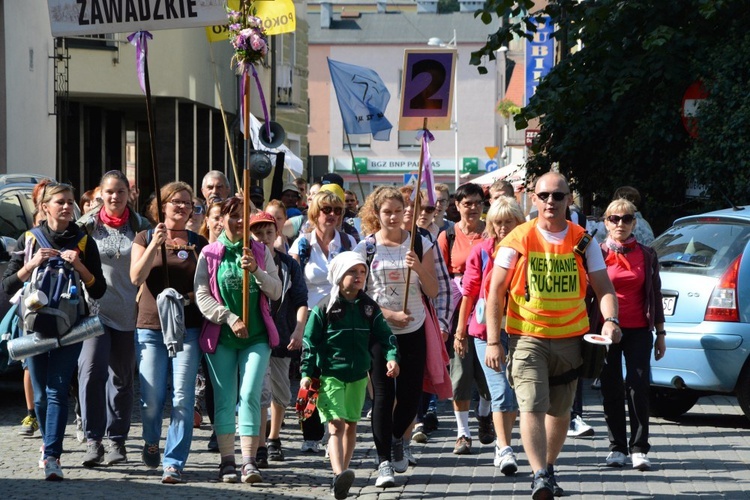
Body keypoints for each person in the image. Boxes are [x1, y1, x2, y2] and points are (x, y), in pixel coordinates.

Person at [485, 172, 620, 499]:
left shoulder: (584, 240)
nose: (550, 201)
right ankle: (540, 474)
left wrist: (610, 320)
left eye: (558, 196)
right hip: (527, 337)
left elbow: (604, 287)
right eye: (544, 195)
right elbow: (496, 292)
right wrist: (492, 341)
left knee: (559, 413)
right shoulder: (517, 238)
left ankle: (548, 465)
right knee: (531, 405)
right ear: (533, 199)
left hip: (571, 341)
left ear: (568, 200)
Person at [2, 182, 107, 481]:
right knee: (41, 396)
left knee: (57, 389)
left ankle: (52, 456)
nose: (66, 207)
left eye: (70, 202)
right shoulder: (29, 239)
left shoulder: (84, 241)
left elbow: (98, 288)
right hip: (35, 327)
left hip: (71, 327)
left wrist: (81, 268)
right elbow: (7, 285)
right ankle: (48, 441)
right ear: (45, 207)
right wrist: (31, 264)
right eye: (59, 202)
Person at [355, 186, 440, 487]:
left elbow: (433, 290)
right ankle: (383, 463)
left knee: (410, 396)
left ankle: (396, 439)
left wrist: (418, 266)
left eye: (397, 211)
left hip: (414, 328)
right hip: (380, 332)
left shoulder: (421, 242)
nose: (393, 217)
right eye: (386, 212)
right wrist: (388, 315)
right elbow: (357, 294)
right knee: (383, 395)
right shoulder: (365, 248)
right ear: (376, 214)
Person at [194, 200, 281, 484]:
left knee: (251, 392)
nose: (240, 222)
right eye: (234, 217)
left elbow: (276, 290)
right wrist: (229, 317)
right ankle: (226, 461)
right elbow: (202, 295)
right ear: (222, 221)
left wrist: (256, 270)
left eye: (244, 217)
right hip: (223, 338)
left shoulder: (260, 250)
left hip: (256, 337)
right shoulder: (210, 253)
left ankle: (249, 461)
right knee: (225, 398)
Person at [301, 251, 399, 498]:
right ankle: (338, 474)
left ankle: (343, 474)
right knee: (335, 425)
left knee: (351, 424)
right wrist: (305, 373)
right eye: (352, 272)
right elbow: (309, 342)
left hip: (358, 375)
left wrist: (391, 358)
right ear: (338, 275)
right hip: (330, 375)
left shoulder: (369, 306)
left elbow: (385, 335)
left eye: (362, 272)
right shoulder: (324, 307)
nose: (359, 276)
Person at [130, 181, 208, 484]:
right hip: (150, 326)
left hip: (187, 327)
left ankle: (174, 462)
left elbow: (205, 286)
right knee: (151, 398)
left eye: (188, 203)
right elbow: (136, 277)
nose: (183, 207)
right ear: (162, 206)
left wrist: (185, 297)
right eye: (176, 201)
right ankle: (151, 439)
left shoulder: (198, 242)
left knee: (182, 397)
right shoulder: (144, 236)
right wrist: (154, 244)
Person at [76, 170, 151, 467]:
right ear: (100, 195)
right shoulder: (85, 226)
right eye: (109, 192)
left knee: (121, 379)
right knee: (92, 373)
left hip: (128, 312)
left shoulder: (141, 226)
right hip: (94, 311)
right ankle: (93, 439)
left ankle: (117, 439)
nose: (115, 197)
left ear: (129, 194)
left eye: (120, 191)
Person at [454, 196, 525, 473]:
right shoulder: (482, 252)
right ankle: (505, 448)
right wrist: (460, 333)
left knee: (515, 395)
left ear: (519, 222)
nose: (504, 228)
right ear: (491, 225)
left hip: (521, 330)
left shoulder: (528, 251)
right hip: (486, 332)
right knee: (501, 393)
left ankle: (501, 445)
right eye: (498, 223)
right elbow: (469, 294)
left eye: (510, 221)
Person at [599, 198, 665, 471]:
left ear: (634, 222)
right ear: (606, 222)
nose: (620, 224)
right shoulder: (597, 252)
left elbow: (656, 294)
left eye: (626, 219)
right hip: (606, 330)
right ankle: (617, 447)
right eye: (614, 219)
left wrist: (661, 333)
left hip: (639, 328)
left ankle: (639, 447)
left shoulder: (647, 254)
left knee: (638, 387)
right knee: (611, 387)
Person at [289, 191, 357, 453]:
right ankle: (310, 434)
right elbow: (295, 288)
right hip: (311, 320)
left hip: (342, 320)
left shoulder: (349, 242)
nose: (332, 215)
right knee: (310, 376)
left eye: (337, 210)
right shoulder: (302, 245)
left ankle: (334, 433)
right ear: (314, 213)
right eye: (326, 209)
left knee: (337, 377)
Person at [247, 211, 307, 463]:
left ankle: (274, 437)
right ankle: (259, 444)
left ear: (277, 234)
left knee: (280, 391)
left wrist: (298, 328)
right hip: (253, 335)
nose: (263, 238)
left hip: (282, 333)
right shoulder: (245, 262)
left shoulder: (289, 264)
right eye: (257, 233)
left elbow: (301, 300)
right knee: (257, 391)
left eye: (268, 233)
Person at [439, 182, 493, 455]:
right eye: (467, 203)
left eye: (477, 203)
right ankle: (463, 433)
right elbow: (439, 275)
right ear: (457, 206)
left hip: (486, 311)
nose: (472, 208)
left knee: (488, 375)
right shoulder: (447, 236)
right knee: (460, 374)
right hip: (456, 310)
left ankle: (484, 415)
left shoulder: (492, 234)